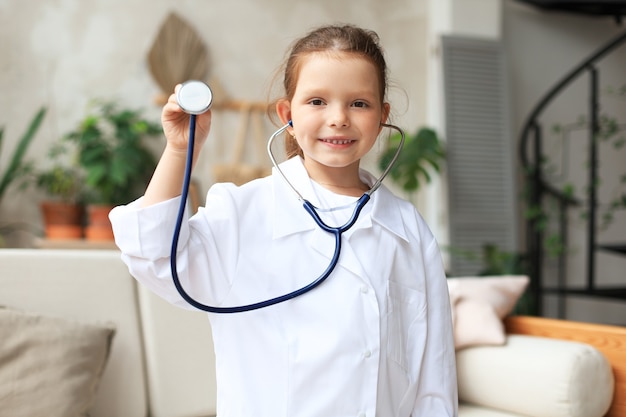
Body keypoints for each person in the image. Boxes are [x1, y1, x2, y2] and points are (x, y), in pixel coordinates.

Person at [110, 24, 457, 417]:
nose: (339, 118)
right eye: (317, 101)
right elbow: (154, 256)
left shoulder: (408, 230)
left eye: (359, 103)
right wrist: (178, 150)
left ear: (382, 117)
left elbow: (434, 375)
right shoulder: (245, 213)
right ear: (286, 113)